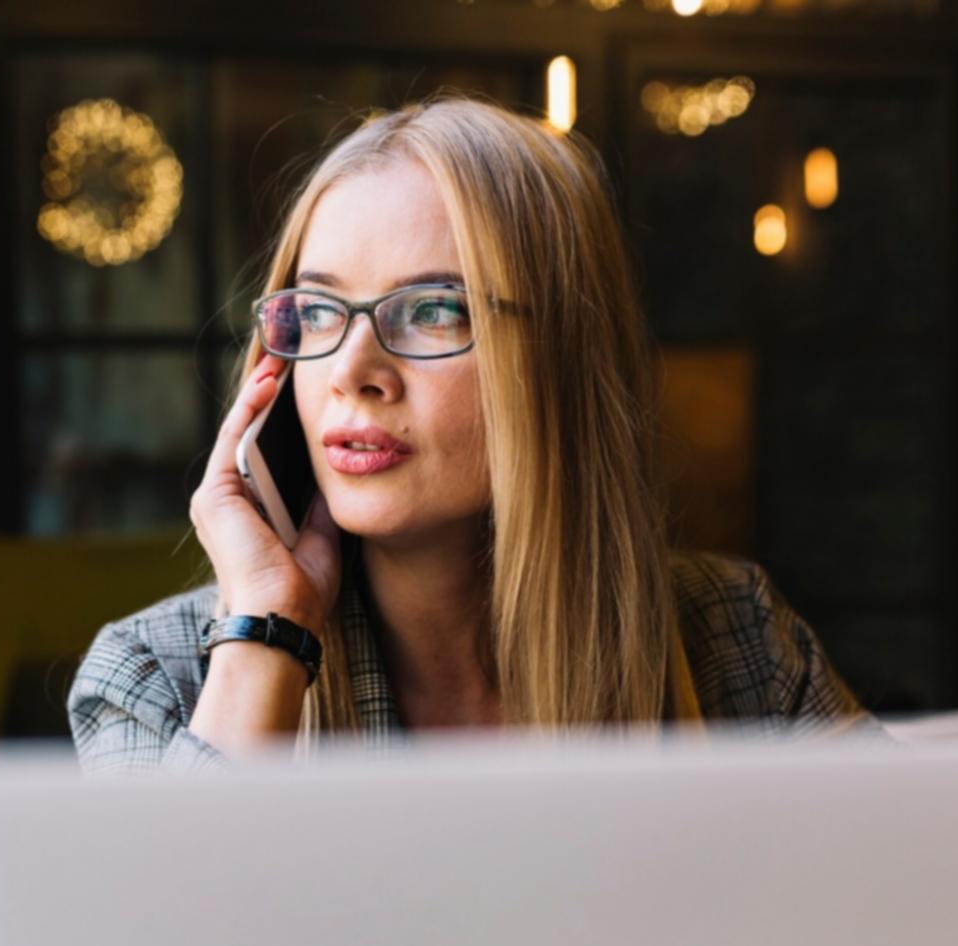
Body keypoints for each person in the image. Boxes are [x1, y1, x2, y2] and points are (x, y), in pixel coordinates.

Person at [68, 95, 878, 775]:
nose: (354, 370)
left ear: (561, 357)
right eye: (316, 312)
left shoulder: (736, 640)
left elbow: (912, 923)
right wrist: (266, 636)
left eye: (433, 309)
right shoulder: (157, 677)